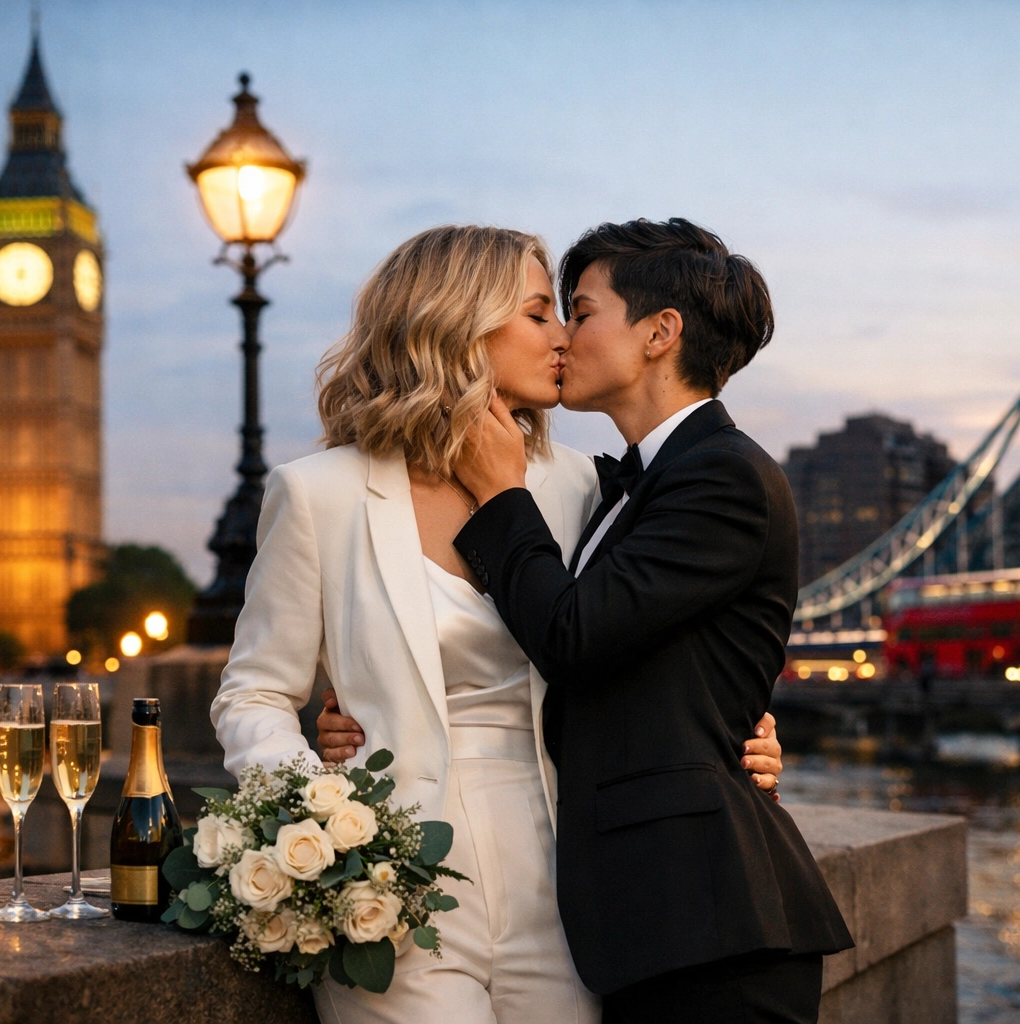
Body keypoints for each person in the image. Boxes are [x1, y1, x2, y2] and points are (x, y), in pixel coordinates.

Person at [210, 225, 783, 1024]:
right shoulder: (319, 495)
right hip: (395, 884)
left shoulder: (583, 485)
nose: (564, 337)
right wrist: (318, 818)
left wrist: (735, 725)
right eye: (541, 313)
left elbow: (647, 625)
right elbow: (254, 695)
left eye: (570, 313)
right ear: (458, 326)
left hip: (568, 878)